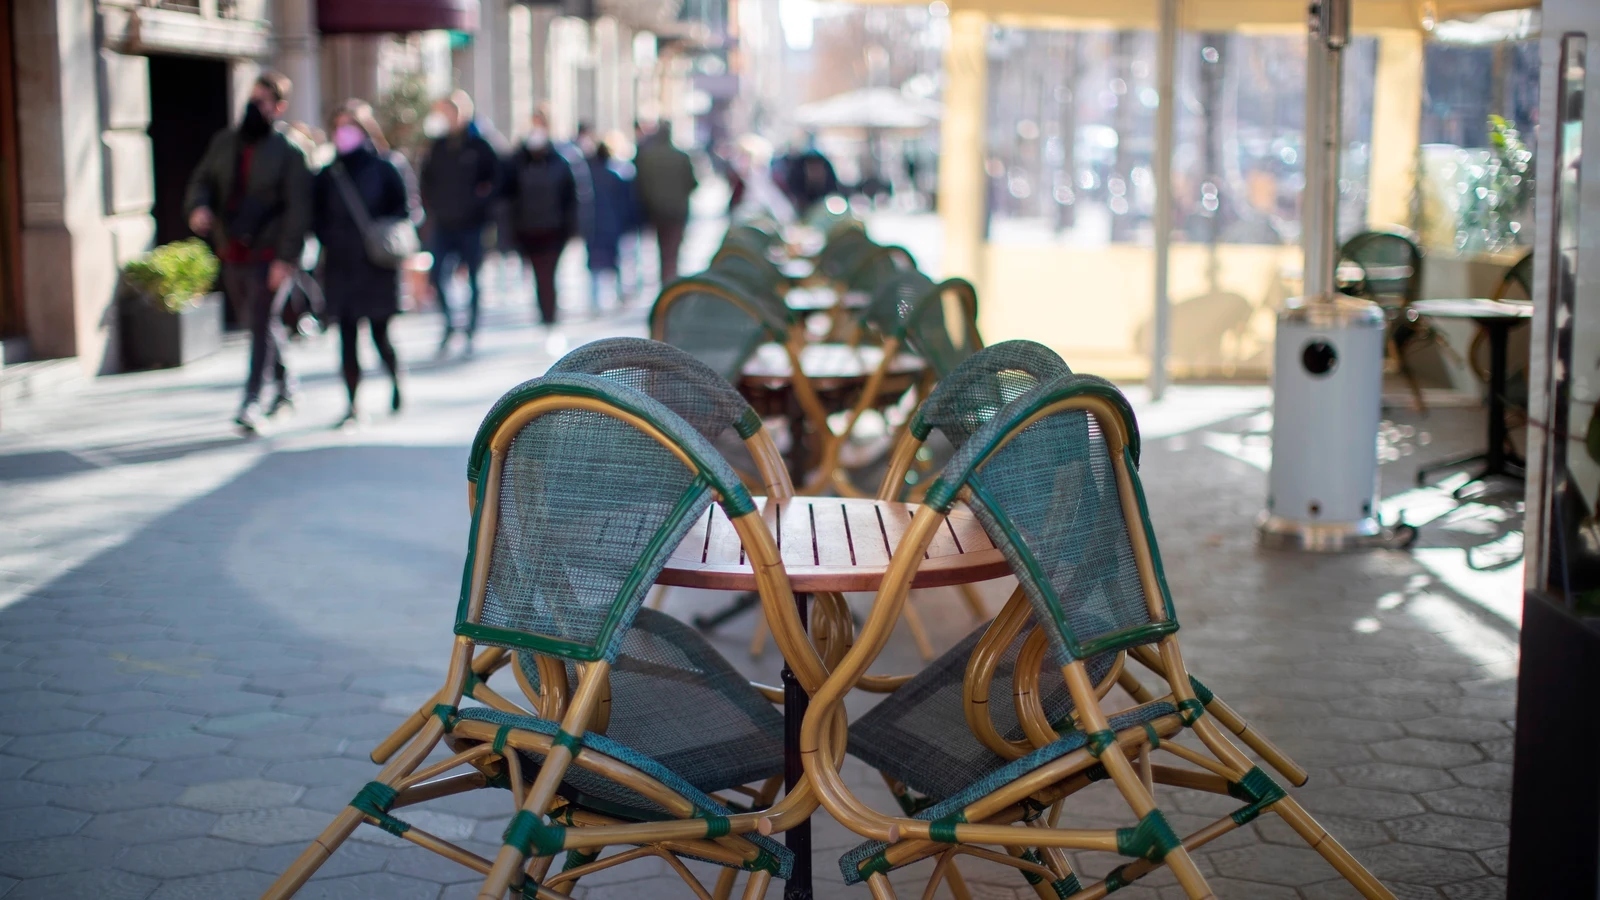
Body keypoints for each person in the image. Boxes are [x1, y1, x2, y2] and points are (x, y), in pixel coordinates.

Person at [184, 71, 312, 433]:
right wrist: (199, 207)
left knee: (259, 325)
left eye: (262, 101)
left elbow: (299, 210)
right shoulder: (225, 142)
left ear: (278, 107)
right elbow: (202, 181)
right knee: (259, 323)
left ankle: (252, 401)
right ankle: (287, 386)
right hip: (233, 251)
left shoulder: (289, 152)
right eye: (251, 99)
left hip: (269, 255)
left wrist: (285, 259)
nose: (253, 107)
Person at [312, 100, 420, 427]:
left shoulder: (386, 166)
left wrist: (380, 231)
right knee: (345, 336)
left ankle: (395, 379)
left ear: (364, 129)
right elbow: (316, 217)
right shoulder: (328, 173)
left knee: (379, 334)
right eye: (339, 126)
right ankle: (353, 403)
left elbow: (405, 210)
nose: (344, 133)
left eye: (351, 126)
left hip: (376, 265)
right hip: (340, 265)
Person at [419, 91, 500, 357]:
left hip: (472, 225)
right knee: (437, 275)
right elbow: (426, 180)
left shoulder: (479, 145)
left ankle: (471, 330)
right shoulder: (438, 146)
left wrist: (480, 205)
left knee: (474, 279)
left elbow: (497, 180)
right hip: (443, 224)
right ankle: (450, 325)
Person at [505, 110, 578, 327]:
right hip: (527, 231)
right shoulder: (517, 161)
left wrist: (572, 229)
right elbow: (508, 197)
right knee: (539, 275)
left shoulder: (561, 160)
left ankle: (549, 315)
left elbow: (571, 198)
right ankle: (545, 313)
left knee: (548, 275)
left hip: (553, 231)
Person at [632, 121, 697, 285]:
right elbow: (692, 183)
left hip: (656, 211)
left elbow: (640, 185)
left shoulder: (647, 157)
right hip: (676, 211)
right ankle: (669, 280)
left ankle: (666, 280)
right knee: (672, 251)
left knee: (662, 249)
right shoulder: (680, 156)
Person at [583, 137, 639, 314]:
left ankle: (595, 301)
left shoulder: (588, 177)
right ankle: (616, 296)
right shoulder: (614, 177)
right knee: (615, 261)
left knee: (595, 264)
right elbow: (626, 203)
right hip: (612, 224)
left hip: (594, 225)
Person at [783, 136, 840, 215]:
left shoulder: (830, 187)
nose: (815, 170)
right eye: (811, 167)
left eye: (818, 166)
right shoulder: (795, 188)